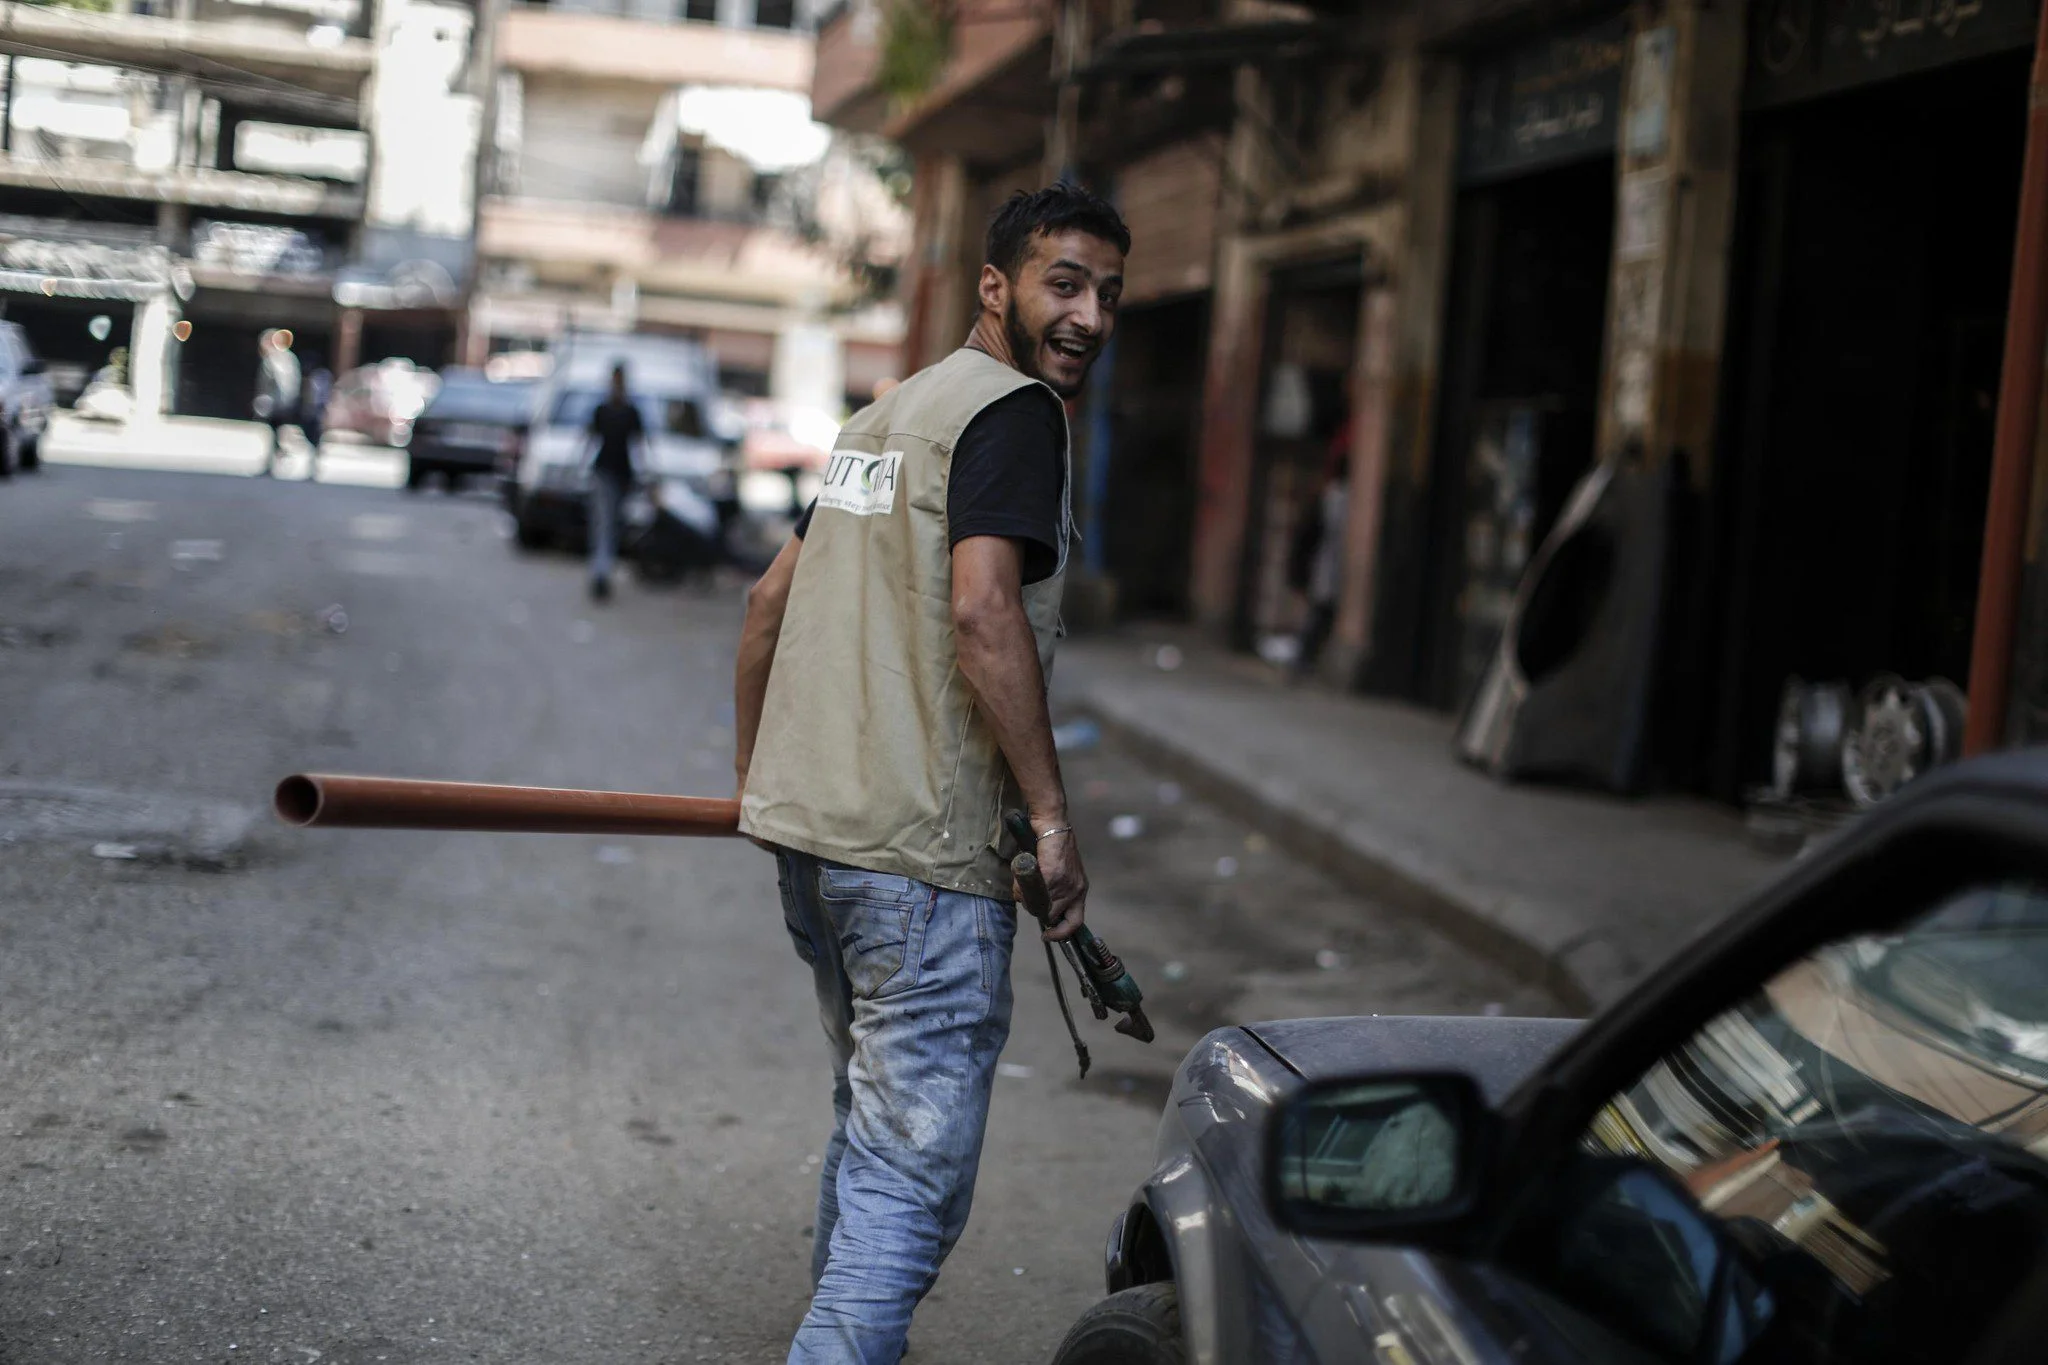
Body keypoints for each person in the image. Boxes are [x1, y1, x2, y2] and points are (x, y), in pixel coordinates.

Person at [732, 182, 1128, 1364]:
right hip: (918, 871)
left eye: (1109, 292)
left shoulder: (882, 417)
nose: (1091, 316)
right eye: (1064, 284)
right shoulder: (1013, 415)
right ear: (995, 289)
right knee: (909, 1187)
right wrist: (1050, 822)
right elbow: (981, 613)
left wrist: (761, 787)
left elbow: (764, 609)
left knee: (876, 1139)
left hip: (821, 851)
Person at [581, 362, 648, 602]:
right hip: (604, 474)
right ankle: (601, 572)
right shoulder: (604, 410)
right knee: (604, 525)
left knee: (610, 526)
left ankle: (602, 571)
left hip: (622, 476)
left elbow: (640, 447)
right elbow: (589, 441)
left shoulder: (630, 412)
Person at [1290, 430, 1349, 680]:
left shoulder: (1334, 496)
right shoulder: (1337, 497)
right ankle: (1304, 659)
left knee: (1321, 612)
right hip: (1328, 564)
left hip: (1329, 565)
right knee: (1320, 613)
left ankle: (1306, 659)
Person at [254, 329, 301, 477]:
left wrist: (266, 402)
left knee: (276, 434)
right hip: (282, 404)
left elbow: (278, 385)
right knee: (276, 434)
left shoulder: (275, 359)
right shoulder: (289, 358)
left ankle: (279, 457)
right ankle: (275, 461)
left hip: (276, 405)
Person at [300, 365, 332, 481]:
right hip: (315, 415)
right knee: (313, 443)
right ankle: (313, 467)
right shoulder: (321, 381)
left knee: (315, 443)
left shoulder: (320, 381)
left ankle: (314, 467)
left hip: (316, 416)